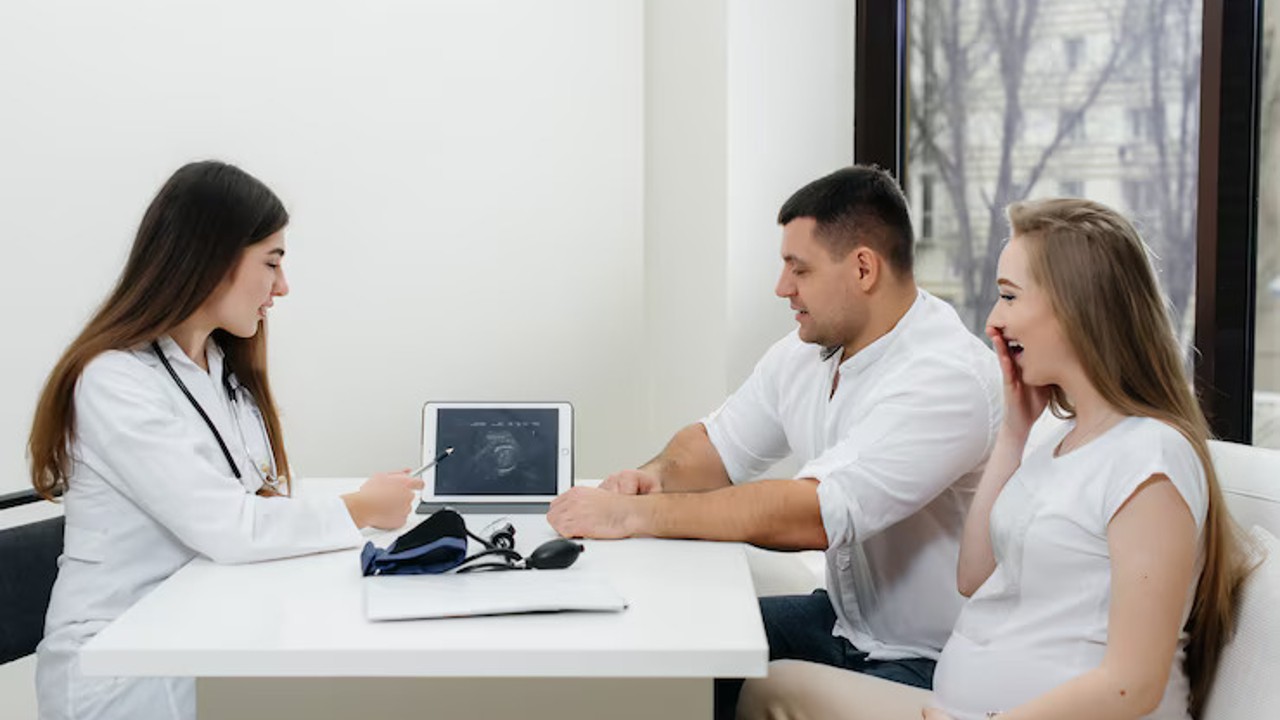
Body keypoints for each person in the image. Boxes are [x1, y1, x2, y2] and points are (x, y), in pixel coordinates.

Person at [737, 198, 1252, 720]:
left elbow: (1132, 686)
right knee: (770, 687)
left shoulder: (1151, 457)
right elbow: (974, 575)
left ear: (1077, 308)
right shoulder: (1059, 443)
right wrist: (1014, 430)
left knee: (771, 692)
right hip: (963, 709)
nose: (993, 321)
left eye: (1009, 297)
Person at [547, 165, 1003, 718]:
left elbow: (813, 515)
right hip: (844, 622)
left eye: (798, 268)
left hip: (931, 659)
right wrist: (653, 478)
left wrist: (631, 517)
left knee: (751, 682)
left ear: (863, 268)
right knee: (685, 649)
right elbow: (714, 447)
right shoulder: (807, 351)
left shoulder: (945, 378)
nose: (782, 287)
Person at [28, 161, 424, 720]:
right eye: (272, 262)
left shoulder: (219, 370)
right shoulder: (114, 380)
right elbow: (229, 526)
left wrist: (357, 506)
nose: (282, 287)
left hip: (196, 636)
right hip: (118, 674)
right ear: (212, 259)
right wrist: (359, 508)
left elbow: (259, 499)